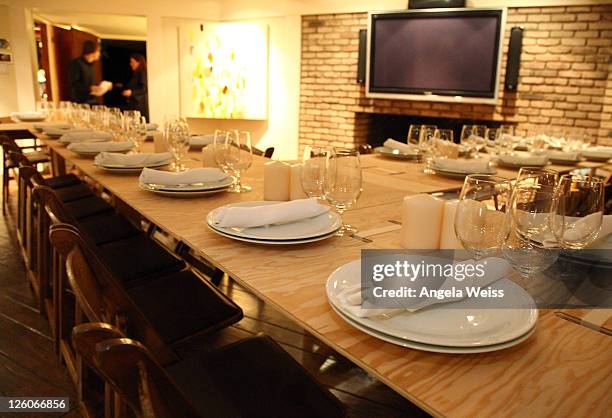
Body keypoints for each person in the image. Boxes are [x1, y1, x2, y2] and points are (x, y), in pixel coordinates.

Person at [122, 53, 149, 121]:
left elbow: (144, 88)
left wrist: (131, 93)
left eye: (132, 62)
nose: (130, 64)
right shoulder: (136, 73)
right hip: (135, 103)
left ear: (139, 62)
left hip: (140, 105)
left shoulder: (143, 72)